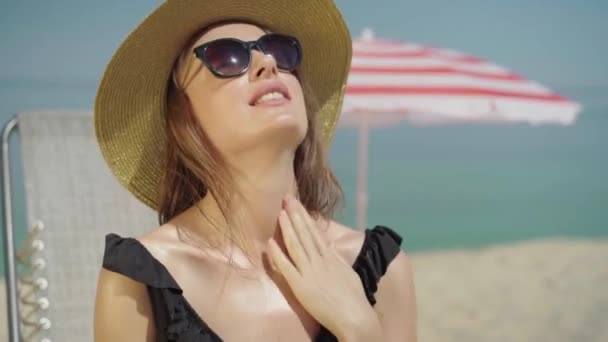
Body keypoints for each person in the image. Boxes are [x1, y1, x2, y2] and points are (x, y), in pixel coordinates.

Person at [93, 0, 416, 341]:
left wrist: (360, 329)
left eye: (279, 49)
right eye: (226, 57)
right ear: (183, 114)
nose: (267, 62)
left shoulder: (381, 269)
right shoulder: (140, 279)